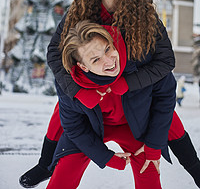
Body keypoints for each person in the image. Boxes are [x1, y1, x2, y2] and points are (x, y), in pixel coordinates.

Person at [19, 0, 200, 188]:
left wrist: (127, 83)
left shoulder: (144, 15)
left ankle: (195, 168)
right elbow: (55, 52)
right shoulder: (79, 12)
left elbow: (166, 61)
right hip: (94, 97)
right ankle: (45, 165)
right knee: (65, 105)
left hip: (136, 91)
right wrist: (77, 90)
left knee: (165, 112)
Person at [46, 20, 176, 189]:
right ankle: (44, 167)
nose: (109, 61)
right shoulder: (70, 84)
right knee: (62, 177)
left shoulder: (140, 61)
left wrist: (153, 145)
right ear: (83, 66)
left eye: (107, 49)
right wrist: (105, 157)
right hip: (90, 128)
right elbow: (74, 126)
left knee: (149, 170)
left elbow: (164, 101)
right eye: (96, 59)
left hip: (133, 127)